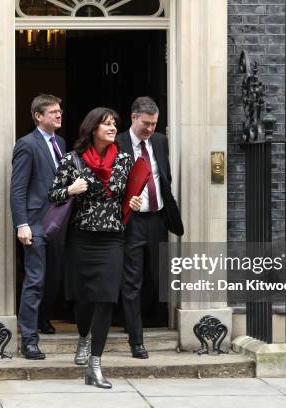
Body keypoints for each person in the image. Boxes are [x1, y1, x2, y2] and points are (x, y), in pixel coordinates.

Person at [48, 107, 142, 389]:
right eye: (107, 124)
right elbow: (52, 195)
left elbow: (128, 196)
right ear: (93, 129)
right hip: (81, 238)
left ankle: (95, 365)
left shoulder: (125, 160)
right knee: (84, 298)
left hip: (112, 239)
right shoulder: (72, 160)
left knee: (105, 298)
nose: (113, 128)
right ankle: (83, 337)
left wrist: (134, 204)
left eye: (115, 123)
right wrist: (70, 190)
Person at [116, 96, 184, 359]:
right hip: (131, 222)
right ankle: (136, 339)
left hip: (156, 219)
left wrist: (172, 215)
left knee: (156, 276)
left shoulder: (160, 141)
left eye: (154, 124)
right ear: (133, 117)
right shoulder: (117, 143)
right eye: (146, 124)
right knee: (131, 280)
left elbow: (163, 179)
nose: (150, 129)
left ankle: (139, 319)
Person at [11, 94, 66, 360]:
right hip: (35, 223)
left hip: (59, 223)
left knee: (55, 278)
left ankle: (43, 319)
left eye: (59, 111)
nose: (59, 115)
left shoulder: (61, 143)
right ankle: (29, 340)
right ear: (38, 116)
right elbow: (18, 189)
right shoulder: (27, 145)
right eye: (53, 112)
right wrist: (22, 224)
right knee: (35, 281)